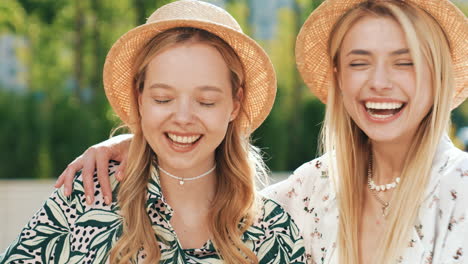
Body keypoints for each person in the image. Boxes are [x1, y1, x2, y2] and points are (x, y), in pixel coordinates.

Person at [50, 0, 468, 263]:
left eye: (405, 61)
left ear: (439, 75)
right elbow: (224, 203)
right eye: (360, 62)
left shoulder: (460, 191)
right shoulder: (313, 188)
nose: (379, 82)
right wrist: (138, 141)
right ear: (339, 77)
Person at [0, 1, 307, 263]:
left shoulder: (272, 229)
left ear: (234, 104)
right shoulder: (88, 196)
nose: (183, 118)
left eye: (206, 101)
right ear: (140, 98)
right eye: (163, 99)